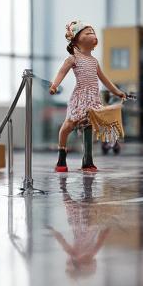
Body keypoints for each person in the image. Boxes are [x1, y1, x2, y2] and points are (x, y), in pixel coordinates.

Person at [49, 20, 126, 173]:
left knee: (89, 126)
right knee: (68, 126)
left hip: (93, 98)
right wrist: (54, 85)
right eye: (88, 33)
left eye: (93, 32)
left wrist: (117, 91)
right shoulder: (73, 59)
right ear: (76, 39)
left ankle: (88, 161)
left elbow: (105, 79)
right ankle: (61, 157)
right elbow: (61, 72)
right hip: (80, 96)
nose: (93, 35)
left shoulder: (94, 61)